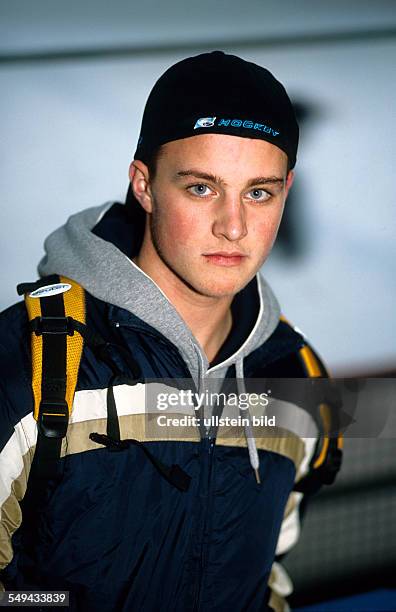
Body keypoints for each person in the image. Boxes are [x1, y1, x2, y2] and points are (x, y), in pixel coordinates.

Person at [0, 51, 341, 611]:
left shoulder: (295, 374)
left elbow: (268, 576)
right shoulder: (34, 362)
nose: (233, 226)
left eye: (259, 192)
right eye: (201, 187)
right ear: (144, 185)